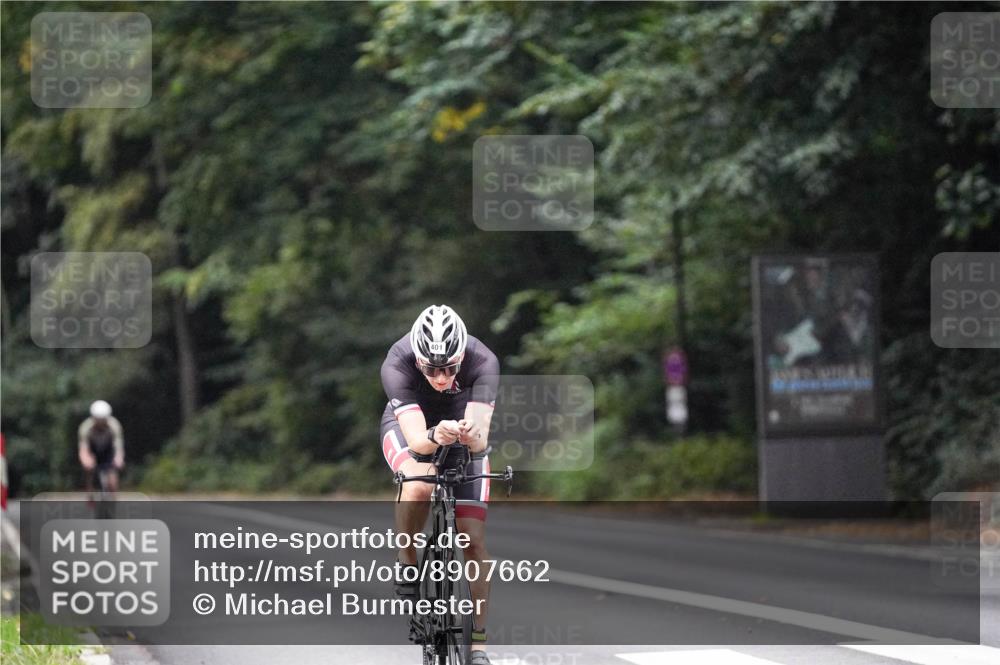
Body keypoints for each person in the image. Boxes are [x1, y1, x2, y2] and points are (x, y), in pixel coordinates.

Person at [380, 304, 498, 665]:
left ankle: (477, 644)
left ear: (462, 356)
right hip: (410, 428)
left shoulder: (483, 361)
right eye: (432, 369)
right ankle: (407, 559)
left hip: (460, 431)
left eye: (449, 367)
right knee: (420, 481)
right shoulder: (397, 362)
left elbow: (479, 441)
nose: (442, 377)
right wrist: (436, 433)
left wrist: (467, 433)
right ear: (418, 361)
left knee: (473, 541)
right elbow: (417, 442)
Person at [78, 400, 125, 494]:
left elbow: (118, 446)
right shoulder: (85, 427)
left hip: (108, 449)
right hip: (93, 449)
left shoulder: (114, 425)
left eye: (103, 420)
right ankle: (90, 494)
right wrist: (86, 461)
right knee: (89, 469)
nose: (101, 424)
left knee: (112, 475)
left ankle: (113, 497)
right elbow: (83, 448)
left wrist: (119, 459)